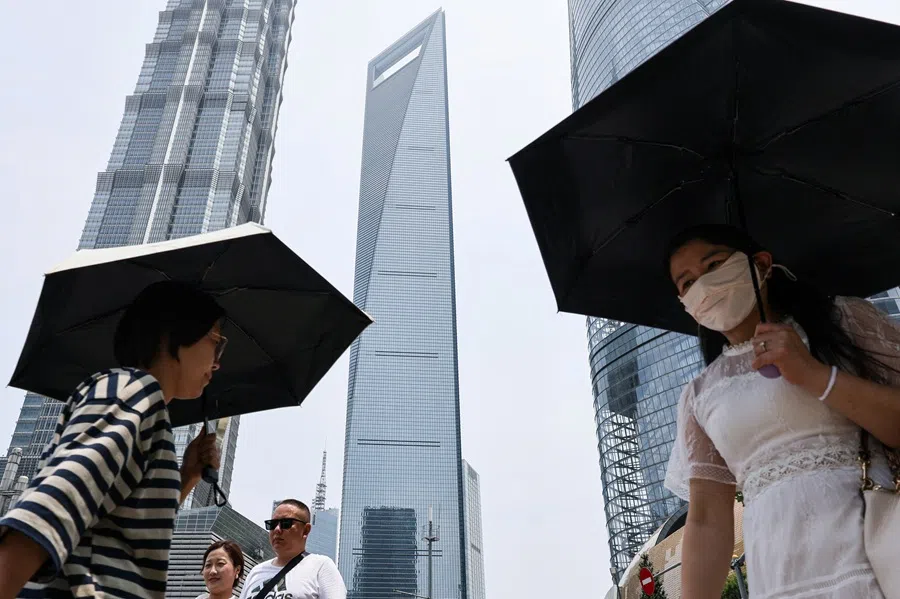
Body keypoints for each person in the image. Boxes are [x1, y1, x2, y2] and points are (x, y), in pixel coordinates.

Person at [663, 224, 900, 599]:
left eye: (714, 265)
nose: (703, 287)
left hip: (878, 552)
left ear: (760, 263)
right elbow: (708, 518)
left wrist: (816, 375)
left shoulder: (842, 322)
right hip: (779, 575)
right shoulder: (700, 395)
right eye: (687, 283)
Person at [0, 281, 225, 599]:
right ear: (174, 335)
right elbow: (57, 500)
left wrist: (188, 476)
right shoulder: (133, 390)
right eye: (217, 341)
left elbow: (126, 532)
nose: (217, 361)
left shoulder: (144, 406)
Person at [240, 500, 346, 599]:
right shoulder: (256, 572)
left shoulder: (321, 566)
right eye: (272, 524)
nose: (277, 529)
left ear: (305, 530)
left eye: (286, 523)